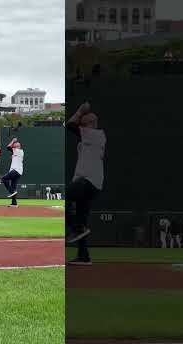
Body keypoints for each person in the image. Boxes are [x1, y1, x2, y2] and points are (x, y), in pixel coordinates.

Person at [66, 102, 106, 265]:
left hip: (88, 181)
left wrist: (80, 110)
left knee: (64, 199)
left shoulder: (96, 134)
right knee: (82, 221)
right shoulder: (89, 139)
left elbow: (70, 125)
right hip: (87, 182)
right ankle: (84, 256)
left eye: (84, 123)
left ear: (92, 124)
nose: (81, 124)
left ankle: (77, 227)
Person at [1, 138, 24, 207]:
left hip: (15, 170)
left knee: (4, 179)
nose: (14, 146)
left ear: (18, 146)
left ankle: (12, 191)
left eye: (15, 145)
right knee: (13, 187)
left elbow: (8, 147)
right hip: (18, 172)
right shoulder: (17, 152)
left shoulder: (18, 150)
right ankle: (14, 203)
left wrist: (13, 141)